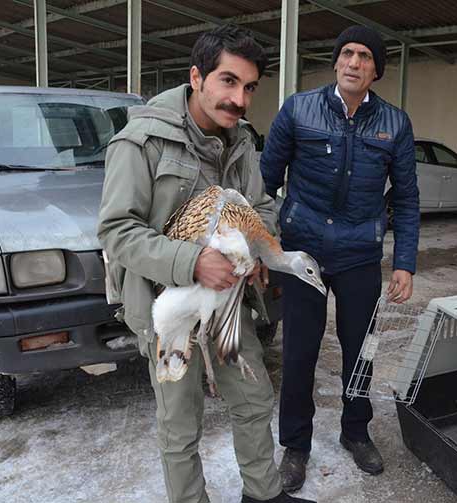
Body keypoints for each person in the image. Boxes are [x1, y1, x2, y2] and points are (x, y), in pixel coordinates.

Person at [98, 25, 314, 503]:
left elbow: (260, 205)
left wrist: (257, 249)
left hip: (228, 305)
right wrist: (193, 261)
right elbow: (117, 231)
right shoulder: (142, 142)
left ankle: (263, 494)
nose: (239, 99)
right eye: (228, 81)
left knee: (254, 400)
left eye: (249, 87)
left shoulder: (241, 142)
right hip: (168, 307)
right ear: (196, 77)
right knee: (180, 422)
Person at [260, 25, 420, 492]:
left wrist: (405, 262)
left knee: (360, 352)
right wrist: (264, 249)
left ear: (376, 70)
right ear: (335, 61)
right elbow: (265, 184)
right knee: (300, 352)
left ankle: (356, 431)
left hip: (358, 255)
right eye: (346, 53)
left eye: (364, 56)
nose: (353, 62)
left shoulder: (395, 123)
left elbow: (407, 199)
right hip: (302, 251)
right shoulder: (298, 109)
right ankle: (295, 444)